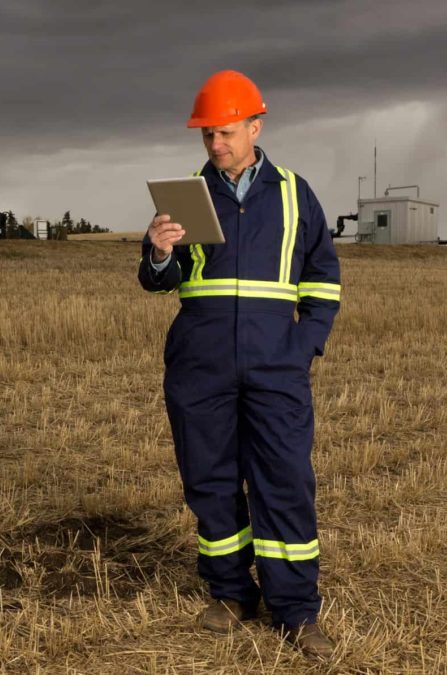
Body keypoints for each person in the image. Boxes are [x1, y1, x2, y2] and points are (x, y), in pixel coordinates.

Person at [138, 70, 342, 660]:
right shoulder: (186, 197)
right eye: (207, 136)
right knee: (211, 482)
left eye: (224, 133)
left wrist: (306, 345)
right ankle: (231, 593)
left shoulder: (294, 192)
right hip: (200, 365)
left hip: (276, 367)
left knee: (285, 482)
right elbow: (159, 283)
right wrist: (158, 252)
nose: (215, 145)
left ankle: (297, 610)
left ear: (256, 126)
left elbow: (323, 276)